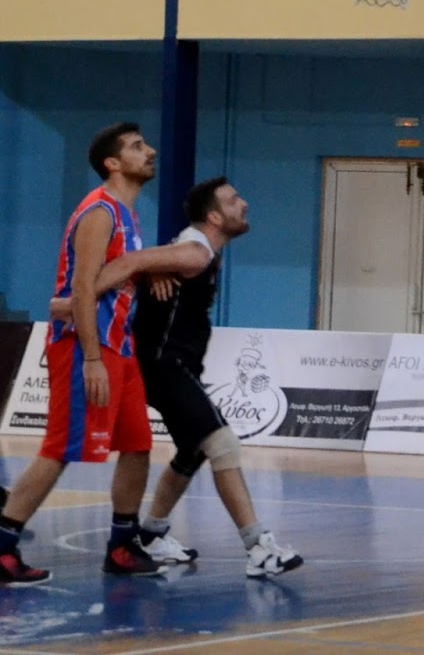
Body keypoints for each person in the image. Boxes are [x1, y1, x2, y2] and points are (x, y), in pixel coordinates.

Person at [61, 176, 303, 579]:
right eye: (233, 200)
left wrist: (153, 270)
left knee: (192, 450)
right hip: (163, 365)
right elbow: (126, 263)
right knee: (223, 445)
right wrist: (75, 304)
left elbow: (141, 263)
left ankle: (152, 534)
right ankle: (259, 548)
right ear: (214, 217)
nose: (243, 204)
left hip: (174, 364)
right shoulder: (194, 252)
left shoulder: (194, 249)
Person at [0, 123, 165, 584]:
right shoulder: (100, 211)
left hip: (120, 346)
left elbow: (115, 275)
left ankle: (121, 546)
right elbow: (82, 286)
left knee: (137, 445)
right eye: (137, 147)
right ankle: (3, 545)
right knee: (59, 449)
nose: (150, 151)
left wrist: (149, 270)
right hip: (85, 346)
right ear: (113, 163)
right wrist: (92, 358)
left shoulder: (127, 214)